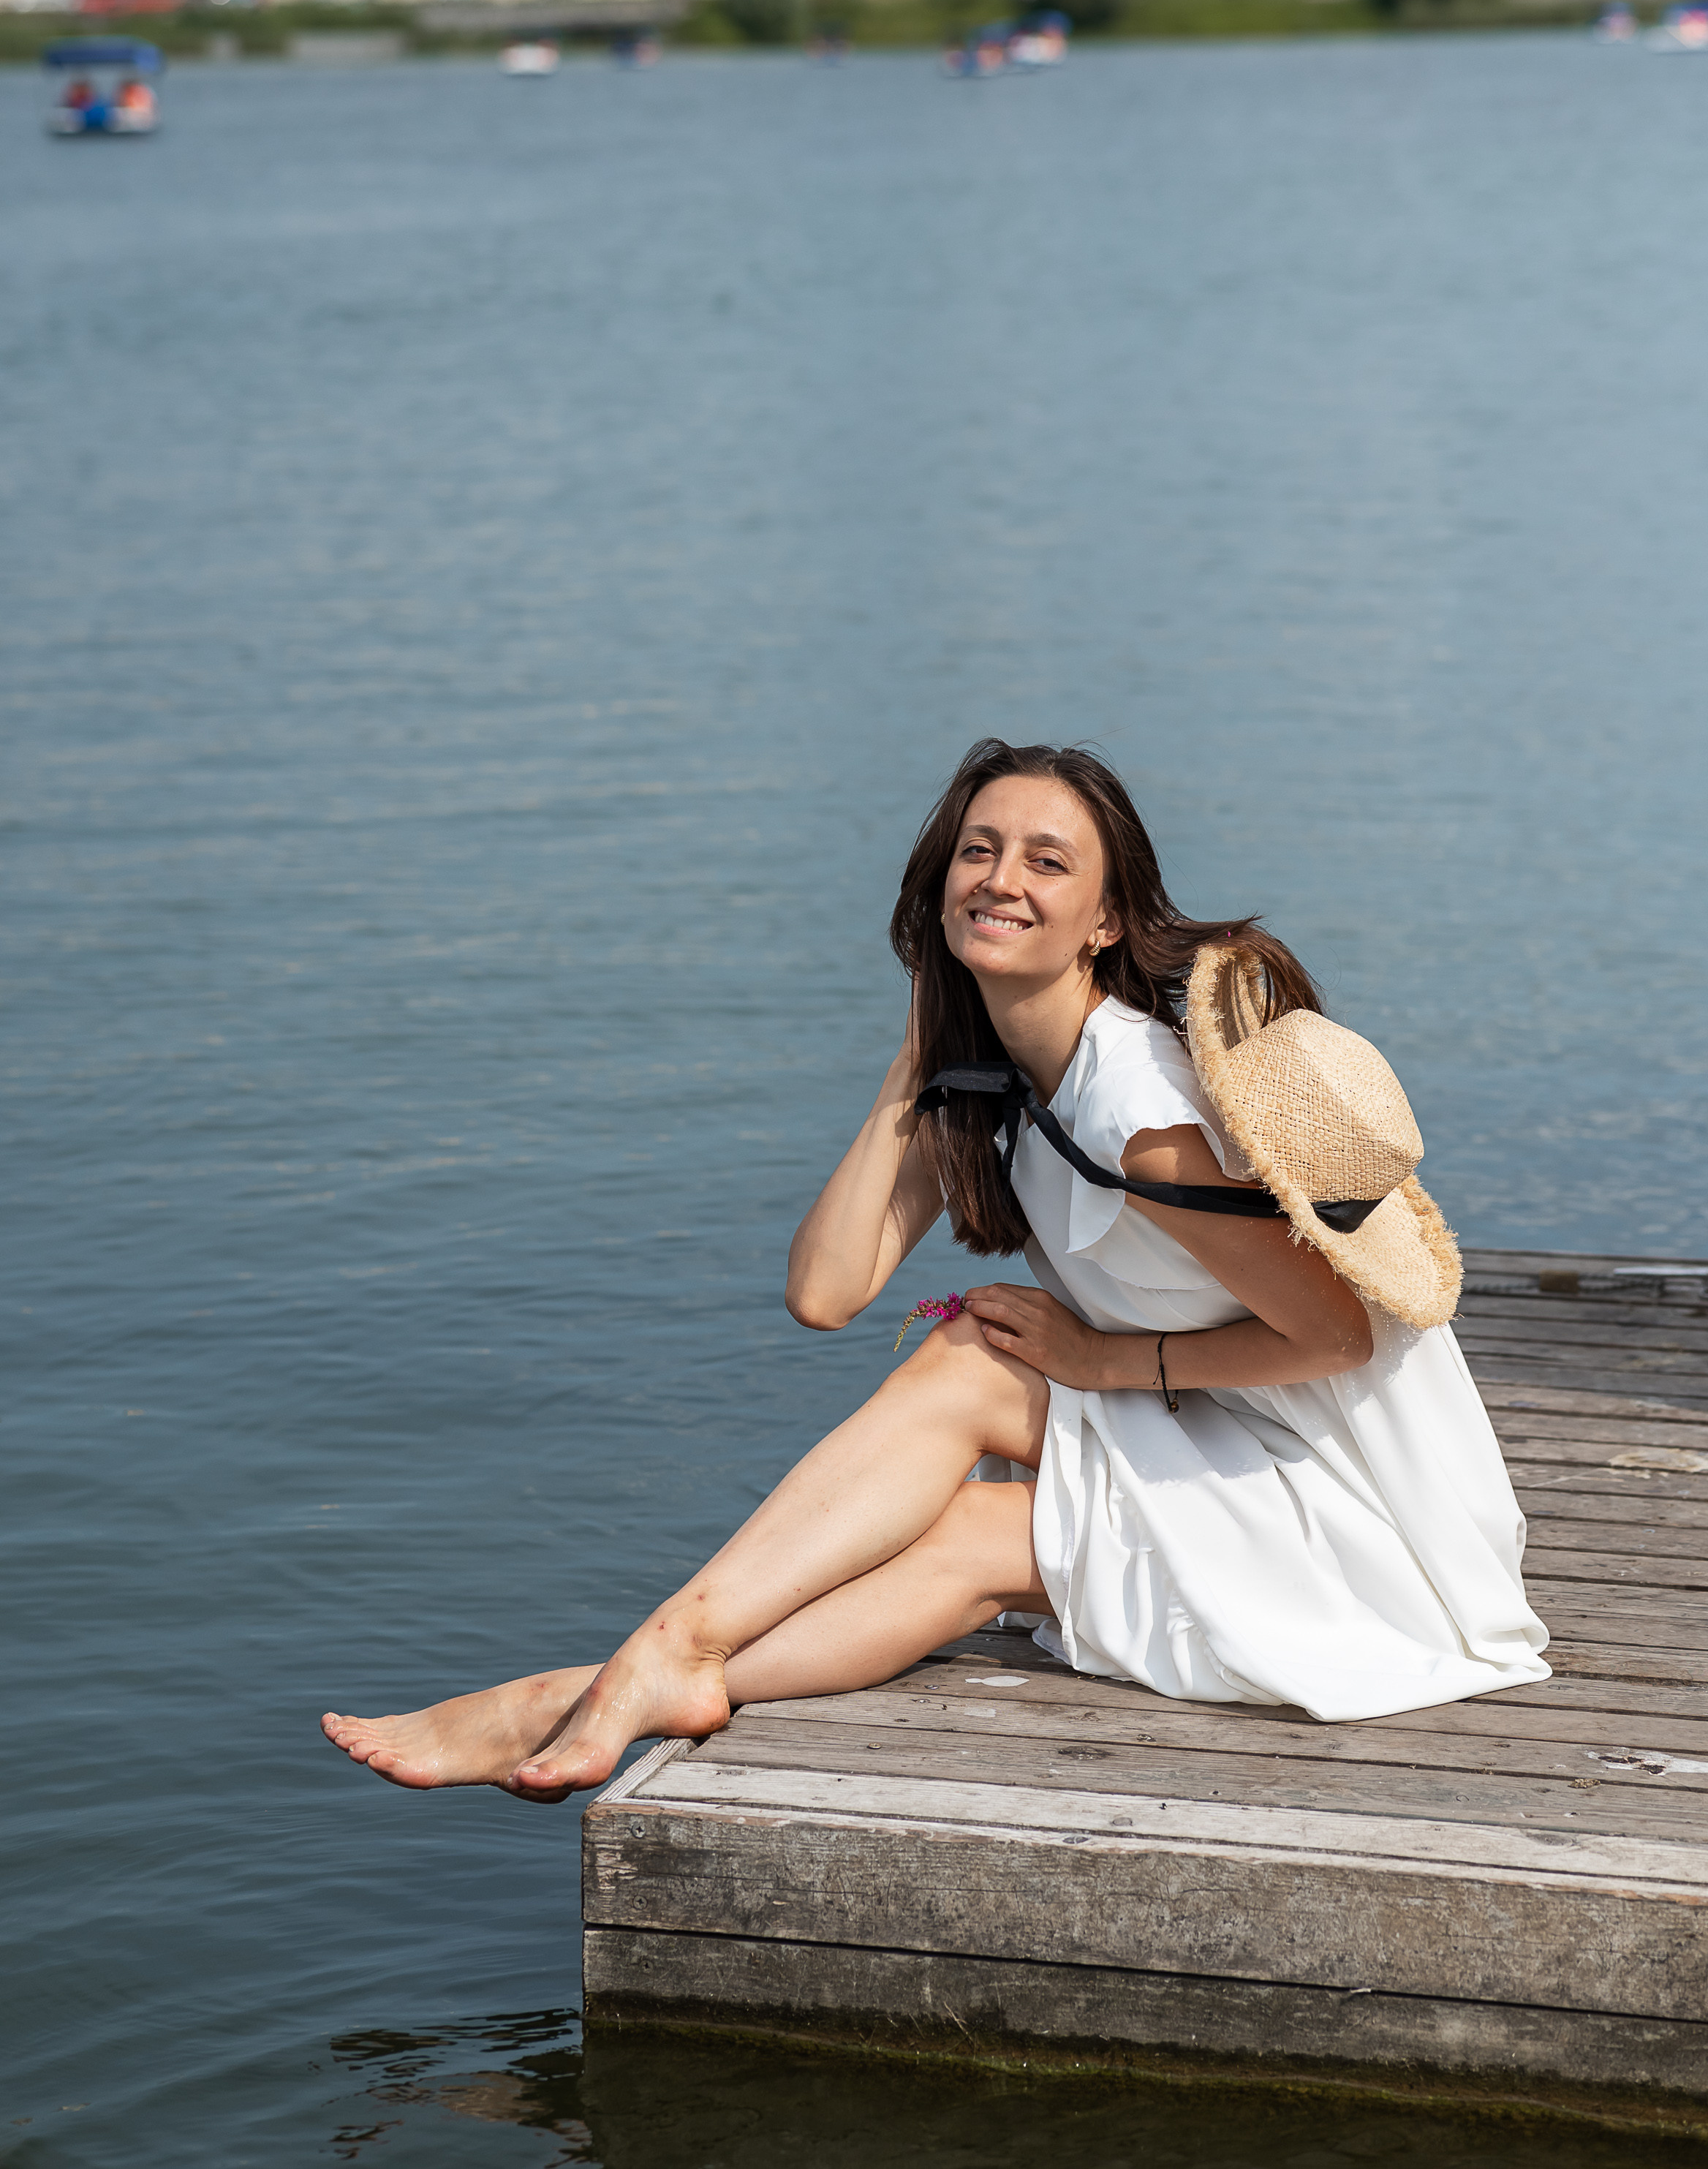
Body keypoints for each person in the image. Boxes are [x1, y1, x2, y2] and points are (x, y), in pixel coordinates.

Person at [322, 739, 1546, 1801]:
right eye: (980, 848)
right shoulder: (1007, 1080)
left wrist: (1102, 1360)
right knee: (969, 1528)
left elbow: (1339, 1335)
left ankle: (634, 1665)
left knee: (972, 1362)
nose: (1003, 878)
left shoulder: (1138, 1106)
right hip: (1239, 1445)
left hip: (1364, 1523)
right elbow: (825, 1293)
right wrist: (916, 1063)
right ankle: (637, 1679)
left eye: (1048, 862)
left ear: (1108, 922)